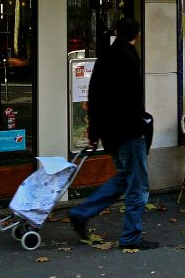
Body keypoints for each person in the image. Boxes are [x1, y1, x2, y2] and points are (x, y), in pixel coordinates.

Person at [68, 18, 158, 249]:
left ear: (117, 33)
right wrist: (140, 127)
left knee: (123, 178)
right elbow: (132, 99)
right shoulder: (129, 58)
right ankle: (130, 236)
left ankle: (82, 212)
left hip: (110, 132)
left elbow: (94, 95)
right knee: (137, 184)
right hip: (129, 130)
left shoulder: (105, 57)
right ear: (136, 35)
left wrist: (94, 131)